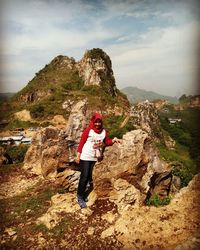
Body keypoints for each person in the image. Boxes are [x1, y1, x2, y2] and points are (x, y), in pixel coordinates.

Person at [76, 112, 121, 208]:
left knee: (89, 177)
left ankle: (84, 194)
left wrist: (114, 140)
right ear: (93, 122)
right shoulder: (88, 130)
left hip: (95, 157)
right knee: (84, 177)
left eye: (99, 122)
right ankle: (80, 197)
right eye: (96, 122)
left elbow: (107, 141)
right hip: (86, 156)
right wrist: (78, 155)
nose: (97, 124)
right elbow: (82, 142)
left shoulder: (104, 132)